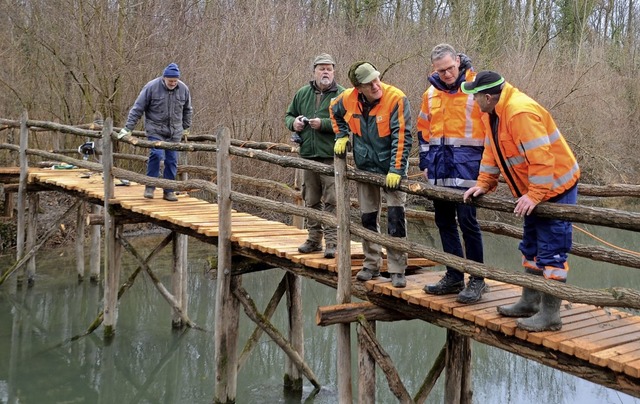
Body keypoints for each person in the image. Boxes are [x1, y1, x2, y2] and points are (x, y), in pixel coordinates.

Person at [461, 71, 580, 331]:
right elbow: (492, 153)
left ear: (489, 97)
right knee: (531, 247)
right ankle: (530, 301)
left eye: (475, 96)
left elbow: (541, 157)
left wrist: (535, 194)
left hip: (555, 188)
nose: (472, 100)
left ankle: (551, 314)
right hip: (534, 190)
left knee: (552, 251)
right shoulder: (492, 114)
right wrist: (484, 183)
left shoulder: (519, 113)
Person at [330, 61, 412, 288]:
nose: (376, 85)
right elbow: (333, 110)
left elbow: (403, 137)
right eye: (369, 83)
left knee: (396, 219)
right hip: (365, 166)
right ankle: (371, 263)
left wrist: (396, 170)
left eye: (377, 79)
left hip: (391, 168)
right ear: (359, 88)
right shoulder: (347, 98)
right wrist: (341, 135)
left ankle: (397, 268)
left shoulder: (396, 98)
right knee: (368, 218)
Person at [418, 44, 487, 303]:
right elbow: (423, 130)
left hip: (469, 168)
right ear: (434, 68)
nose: (446, 74)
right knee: (444, 222)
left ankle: (477, 279)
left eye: (449, 68)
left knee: (468, 223)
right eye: (441, 70)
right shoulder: (431, 93)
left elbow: (490, 131)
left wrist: (487, 172)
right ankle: (454, 275)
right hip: (439, 168)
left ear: (458, 61)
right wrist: (425, 162)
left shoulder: (475, 88)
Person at [285, 53, 345, 259]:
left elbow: (349, 124)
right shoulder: (302, 93)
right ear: (314, 72)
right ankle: (313, 240)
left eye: (329, 68)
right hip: (308, 155)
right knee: (310, 199)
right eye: (321, 68)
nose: (325, 72)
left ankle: (332, 242)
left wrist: (324, 124)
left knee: (332, 201)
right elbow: (288, 115)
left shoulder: (343, 95)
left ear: (334, 71)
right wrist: (294, 124)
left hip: (331, 157)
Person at [118, 63, 193, 201]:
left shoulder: (183, 89)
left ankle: (168, 190)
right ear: (164, 78)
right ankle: (150, 187)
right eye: (170, 81)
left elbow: (187, 109)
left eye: (175, 81)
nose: (173, 83)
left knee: (172, 161)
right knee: (156, 154)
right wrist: (128, 128)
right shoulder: (151, 87)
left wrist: (186, 127)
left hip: (174, 132)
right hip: (155, 129)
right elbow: (138, 108)